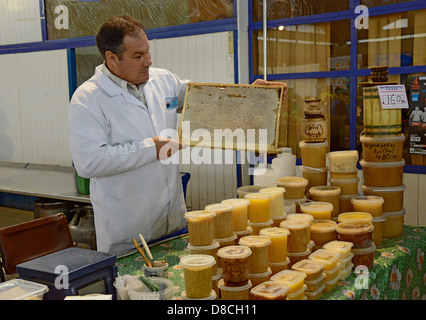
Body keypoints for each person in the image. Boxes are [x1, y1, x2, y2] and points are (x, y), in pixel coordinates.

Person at [68, 15, 287, 255]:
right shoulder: (88, 98)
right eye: (137, 56)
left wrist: (254, 96)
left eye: (148, 52)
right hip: (129, 232)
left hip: (174, 222)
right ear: (111, 57)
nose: (148, 62)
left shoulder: (163, 81)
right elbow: (89, 163)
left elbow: (210, 101)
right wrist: (152, 148)